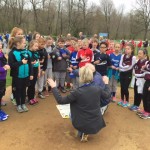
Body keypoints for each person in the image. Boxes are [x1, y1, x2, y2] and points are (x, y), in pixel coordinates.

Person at [47, 65, 111, 142]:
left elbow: (61, 100)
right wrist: (106, 83)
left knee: (71, 114)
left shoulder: (77, 92)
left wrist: (54, 87)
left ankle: (82, 131)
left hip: (81, 120)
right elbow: (107, 95)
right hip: (95, 120)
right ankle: (85, 131)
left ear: (81, 78)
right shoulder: (97, 88)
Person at [8, 36, 33, 113]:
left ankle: (23, 104)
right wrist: (21, 62)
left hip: (25, 76)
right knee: (18, 91)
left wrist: (31, 74)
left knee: (23, 90)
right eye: (24, 43)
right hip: (17, 77)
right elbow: (11, 65)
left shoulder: (26, 52)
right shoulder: (12, 53)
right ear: (18, 43)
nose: (25, 44)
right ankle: (18, 105)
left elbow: (30, 64)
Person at [9, 27, 24, 106]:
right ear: (14, 35)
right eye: (19, 34)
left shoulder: (22, 44)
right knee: (15, 84)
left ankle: (19, 96)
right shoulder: (13, 46)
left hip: (21, 70)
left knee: (20, 84)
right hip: (15, 70)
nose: (21, 35)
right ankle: (14, 96)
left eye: (22, 34)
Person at [27, 40, 40, 105]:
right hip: (30, 70)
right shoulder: (28, 52)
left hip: (35, 69)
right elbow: (27, 62)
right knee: (30, 85)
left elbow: (38, 62)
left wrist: (38, 71)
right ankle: (30, 98)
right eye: (35, 46)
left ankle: (32, 98)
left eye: (37, 46)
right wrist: (32, 63)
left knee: (33, 84)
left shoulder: (36, 52)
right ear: (31, 46)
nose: (37, 47)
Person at [0, 41, 10, 121]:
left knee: (1, 93)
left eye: (0, 45)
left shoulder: (1, 54)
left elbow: (4, 62)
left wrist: (7, 65)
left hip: (2, 78)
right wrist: (3, 68)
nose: (0, 47)